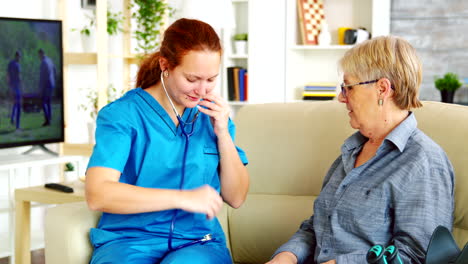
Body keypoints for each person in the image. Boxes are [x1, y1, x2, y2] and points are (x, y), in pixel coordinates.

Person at [268, 36, 454, 264]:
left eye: (348, 88)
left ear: (382, 89)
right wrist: (286, 256)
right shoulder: (351, 151)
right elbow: (318, 227)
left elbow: (415, 256)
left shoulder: (424, 161)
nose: (340, 97)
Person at [85, 18, 249, 264]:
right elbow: (97, 193)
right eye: (192, 79)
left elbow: (236, 198)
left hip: (198, 242)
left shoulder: (214, 118)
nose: (202, 90)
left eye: (211, 79)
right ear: (166, 65)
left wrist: (223, 133)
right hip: (128, 241)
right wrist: (182, 197)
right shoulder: (122, 115)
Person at [38, 48, 56, 126]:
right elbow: (55, 71)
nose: (38, 57)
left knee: (44, 102)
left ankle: (47, 120)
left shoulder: (43, 62)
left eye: (39, 55)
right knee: (49, 102)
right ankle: (50, 118)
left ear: (41, 54)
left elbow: (42, 77)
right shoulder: (50, 60)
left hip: (46, 85)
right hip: (52, 84)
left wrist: (41, 88)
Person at [7, 50, 22, 130]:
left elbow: (7, 76)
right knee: (19, 106)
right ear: (17, 56)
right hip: (17, 88)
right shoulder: (17, 65)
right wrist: (22, 86)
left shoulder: (10, 64)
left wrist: (9, 87)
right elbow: (19, 77)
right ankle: (18, 126)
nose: (20, 58)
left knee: (15, 104)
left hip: (12, 87)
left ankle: (12, 117)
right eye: (20, 57)